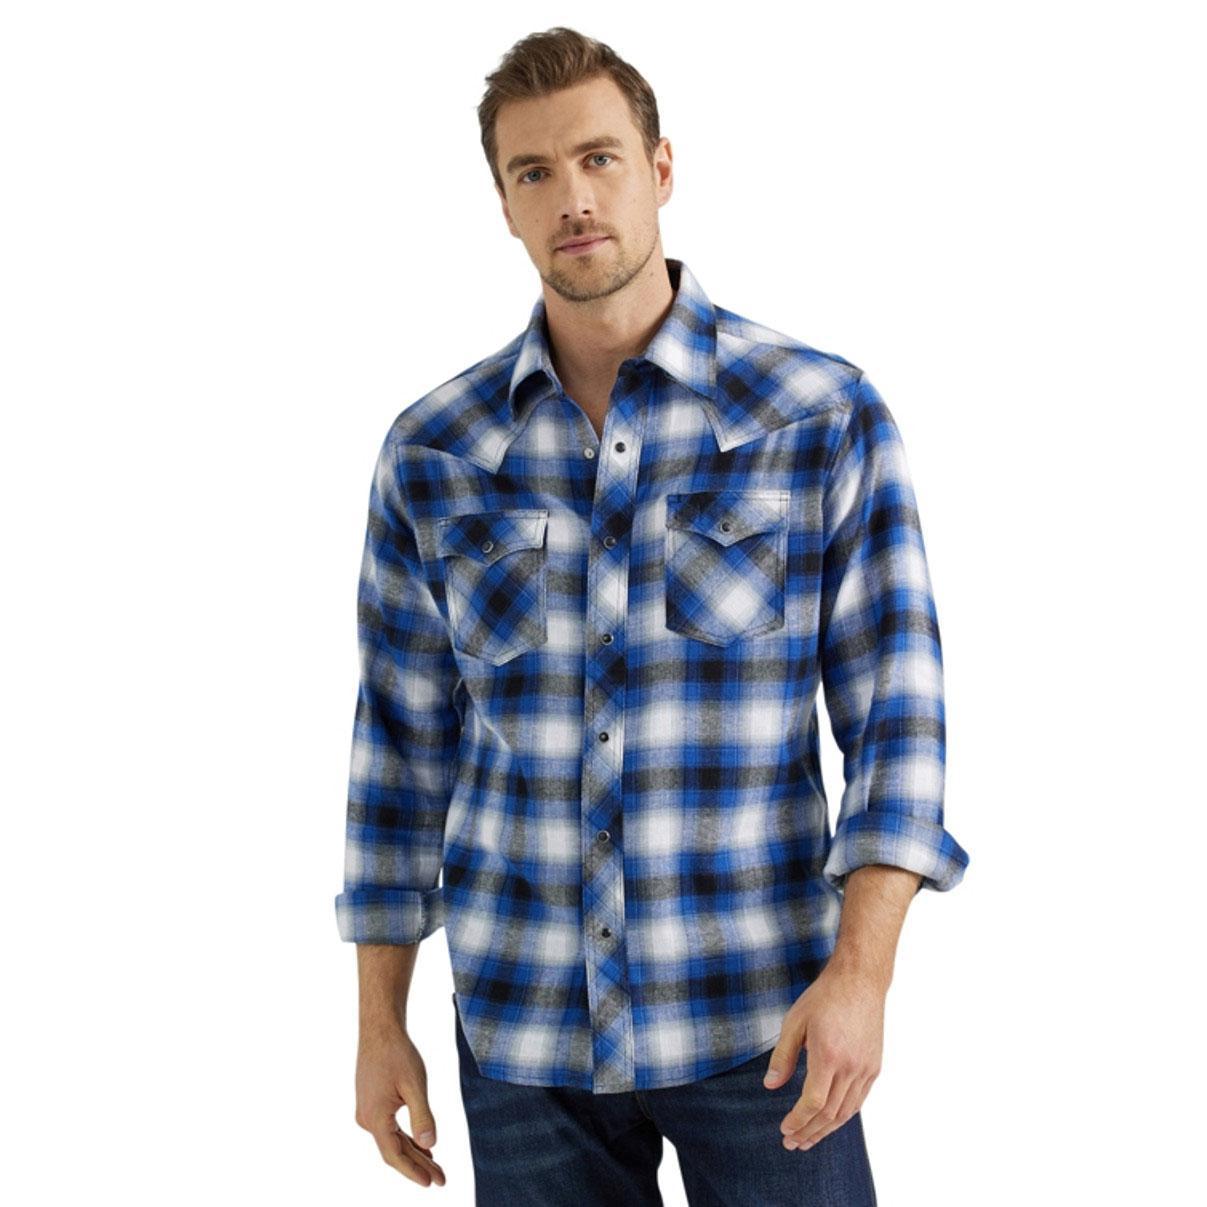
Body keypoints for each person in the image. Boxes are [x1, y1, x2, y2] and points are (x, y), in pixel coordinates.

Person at [334, 25, 970, 1204]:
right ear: (504, 206)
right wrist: (380, 1022)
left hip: (764, 1017)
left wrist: (864, 975)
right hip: (523, 1037)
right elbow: (398, 754)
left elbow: (899, 721)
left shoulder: (817, 415)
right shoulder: (434, 451)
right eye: (534, 172)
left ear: (659, 168)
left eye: (599, 158)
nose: (572, 198)